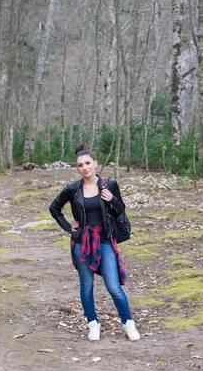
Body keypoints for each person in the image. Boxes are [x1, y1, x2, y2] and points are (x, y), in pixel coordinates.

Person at [49, 144, 140, 342]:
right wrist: (68, 227)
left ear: (95, 164)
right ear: (78, 168)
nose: (85, 167)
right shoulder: (73, 189)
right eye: (80, 165)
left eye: (88, 163)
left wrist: (112, 199)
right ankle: (93, 323)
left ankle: (128, 322)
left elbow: (121, 209)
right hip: (82, 242)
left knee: (113, 286)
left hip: (105, 240)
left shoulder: (109, 184)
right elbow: (54, 208)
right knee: (86, 285)